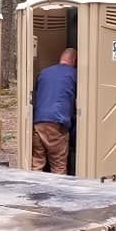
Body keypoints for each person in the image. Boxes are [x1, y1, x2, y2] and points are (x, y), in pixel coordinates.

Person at [31, 47, 77, 175]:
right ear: (74, 60)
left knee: (37, 164)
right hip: (57, 123)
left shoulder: (44, 72)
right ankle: (57, 195)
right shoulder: (74, 74)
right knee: (58, 166)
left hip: (38, 122)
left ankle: (32, 192)